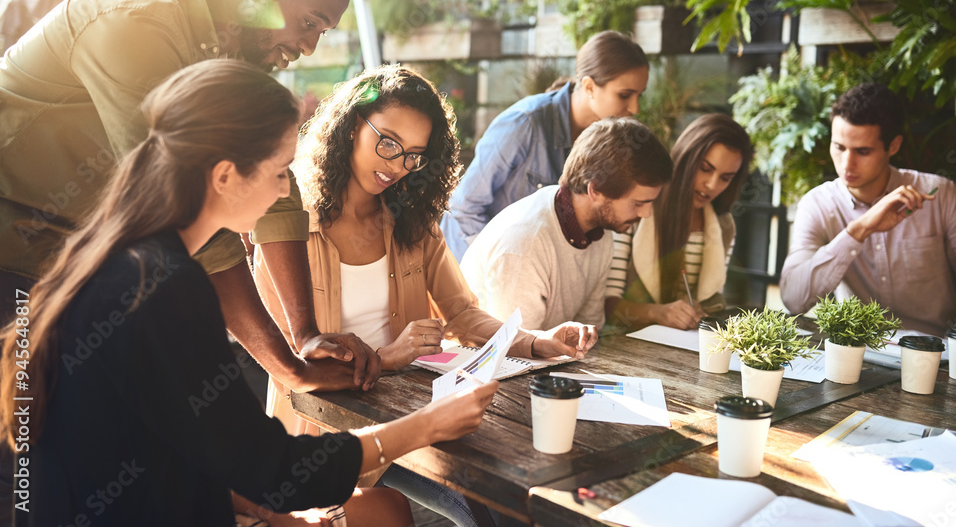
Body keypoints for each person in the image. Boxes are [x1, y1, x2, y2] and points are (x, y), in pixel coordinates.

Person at [0, 60, 498, 527]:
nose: (286, 192)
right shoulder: (169, 285)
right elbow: (275, 469)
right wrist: (427, 425)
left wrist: (267, 509)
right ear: (225, 176)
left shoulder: (108, 257)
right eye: (280, 171)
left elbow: (184, 445)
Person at [0, 0, 374, 397]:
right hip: (15, 258)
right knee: (24, 464)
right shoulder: (132, 25)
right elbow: (185, 205)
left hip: (81, 268)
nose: (309, 48)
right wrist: (288, 369)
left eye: (320, 32)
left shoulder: (238, 48)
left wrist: (304, 335)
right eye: (309, 23)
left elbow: (273, 183)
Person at [253, 65, 597, 526]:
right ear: (352, 125)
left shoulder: (412, 223)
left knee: (500, 505)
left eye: (413, 155)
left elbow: (462, 314)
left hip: (411, 413)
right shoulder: (288, 229)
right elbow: (292, 359)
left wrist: (537, 342)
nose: (396, 166)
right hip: (328, 431)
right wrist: (387, 356)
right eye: (388, 143)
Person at [780, 83, 956, 343]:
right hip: (855, 352)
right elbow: (794, 299)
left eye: (863, 151)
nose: (847, 164)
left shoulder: (940, 196)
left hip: (933, 353)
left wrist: (951, 354)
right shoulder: (817, 204)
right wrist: (858, 231)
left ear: (893, 146)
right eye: (839, 147)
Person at [441, 30, 649, 262]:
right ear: (589, 87)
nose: (635, 108)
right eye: (625, 95)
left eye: (640, 95)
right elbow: (463, 207)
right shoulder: (524, 123)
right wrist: (494, 268)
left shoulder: (604, 142)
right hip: (479, 273)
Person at [461, 117, 673, 330]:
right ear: (595, 190)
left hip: (546, 358)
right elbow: (515, 349)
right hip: (489, 359)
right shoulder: (525, 242)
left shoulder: (601, 234)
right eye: (638, 203)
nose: (646, 214)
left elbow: (589, 331)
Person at [606, 114, 752, 331]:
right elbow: (607, 305)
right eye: (705, 168)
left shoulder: (724, 226)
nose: (712, 185)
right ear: (686, 158)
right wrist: (658, 313)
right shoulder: (640, 208)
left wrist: (699, 312)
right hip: (629, 343)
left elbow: (712, 298)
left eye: (725, 178)